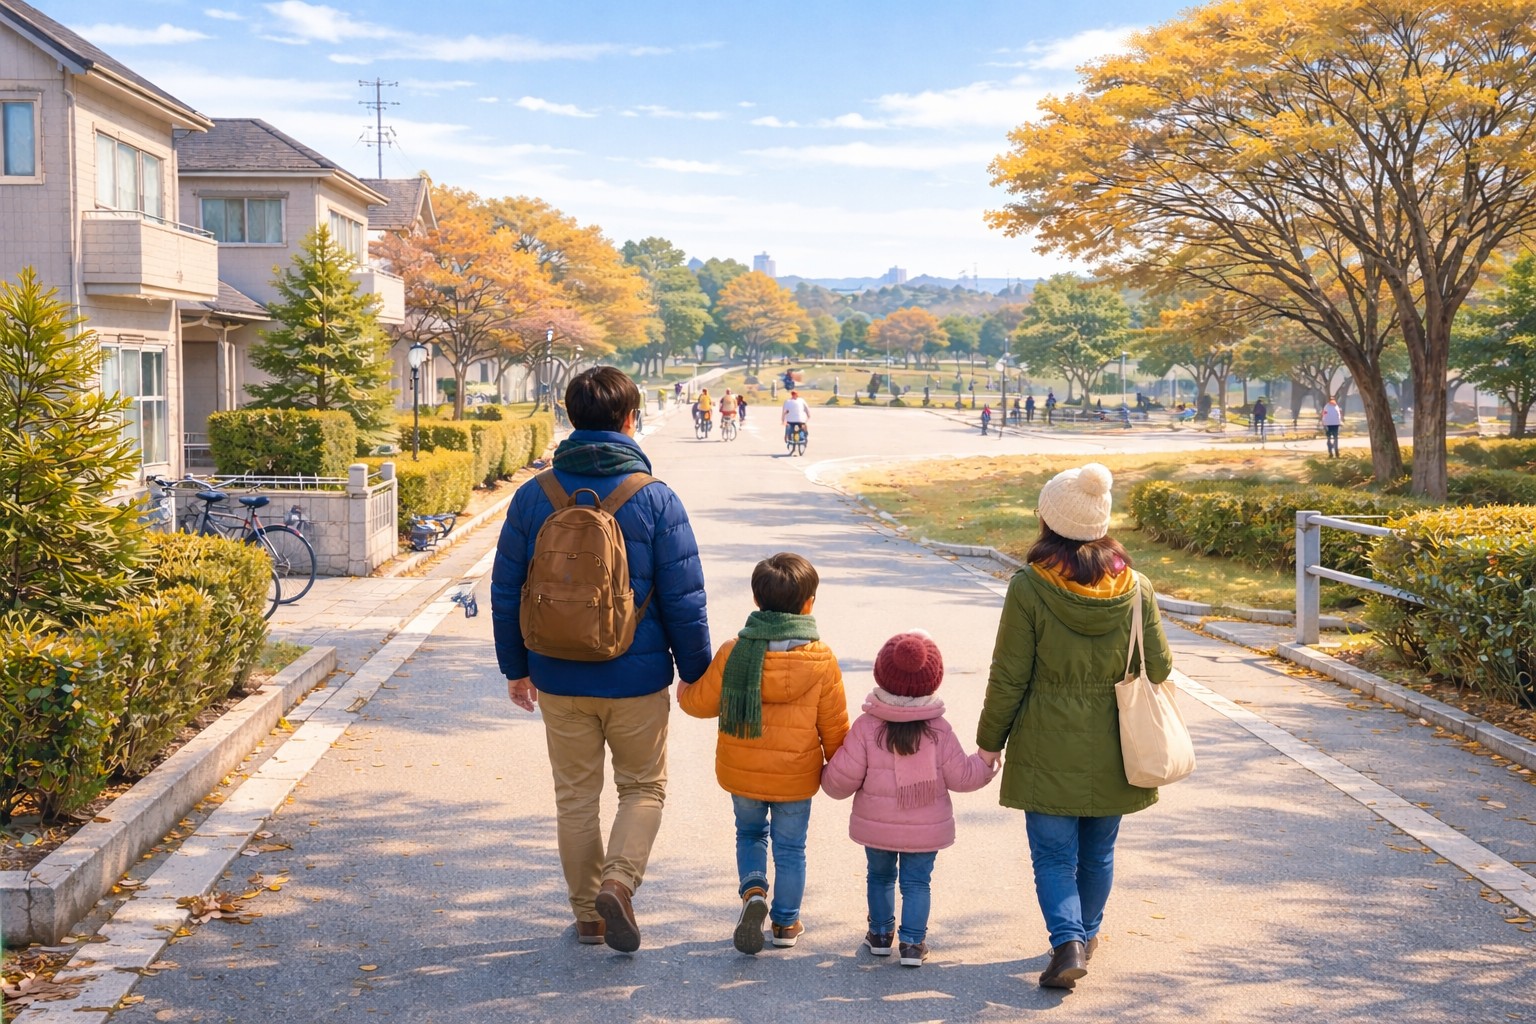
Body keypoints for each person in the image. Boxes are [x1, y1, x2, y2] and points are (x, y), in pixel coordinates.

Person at [491, 366, 711, 953]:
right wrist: (695, 673)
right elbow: (685, 597)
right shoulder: (656, 498)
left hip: (557, 674)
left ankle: (589, 916)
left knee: (575, 797)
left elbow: (506, 588)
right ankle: (619, 882)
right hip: (636, 678)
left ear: (571, 417)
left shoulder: (533, 496)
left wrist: (516, 668)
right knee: (642, 788)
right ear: (629, 419)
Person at [976, 463, 1173, 990]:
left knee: (1053, 854)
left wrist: (989, 742)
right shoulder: (1137, 588)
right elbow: (1159, 667)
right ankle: (1086, 934)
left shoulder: (1029, 587)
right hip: (1117, 744)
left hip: (1045, 744)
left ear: (1048, 520)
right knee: (1098, 852)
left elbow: (1009, 675)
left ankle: (1067, 943)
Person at [678, 553, 850, 955]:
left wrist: (685, 691)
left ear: (757, 600)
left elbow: (699, 703)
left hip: (744, 774)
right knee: (790, 848)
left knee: (750, 833)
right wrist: (842, 770)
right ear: (809, 603)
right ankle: (786, 923)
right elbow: (835, 727)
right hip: (796, 777)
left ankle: (753, 891)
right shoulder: (821, 659)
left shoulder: (734, 651)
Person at [821, 631, 997, 968]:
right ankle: (913, 944)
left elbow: (840, 781)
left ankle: (880, 935)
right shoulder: (939, 729)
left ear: (881, 674)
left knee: (879, 876)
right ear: (933, 679)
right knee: (917, 882)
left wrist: (824, 772)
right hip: (924, 830)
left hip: (877, 827)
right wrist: (986, 762)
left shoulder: (867, 727)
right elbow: (962, 776)